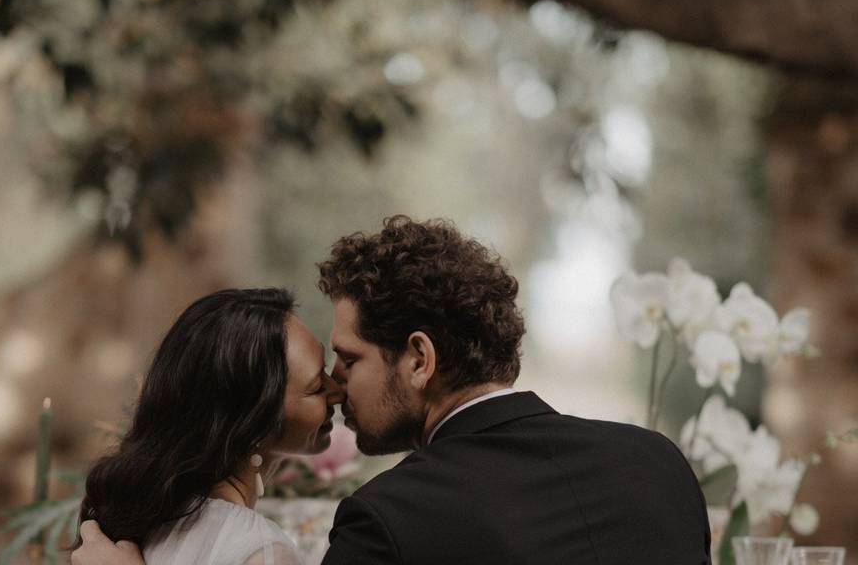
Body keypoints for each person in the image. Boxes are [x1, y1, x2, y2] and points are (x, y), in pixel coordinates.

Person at [74, 216, 711, 565]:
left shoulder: (389, 522)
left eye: (349, 359)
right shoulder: (657, 465)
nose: (337, 384)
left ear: (418, 358)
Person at [76, 288, 343, 564]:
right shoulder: (261, 551)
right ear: (254, 424)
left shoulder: (147, 521)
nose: (337, 390)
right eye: (316, 387)